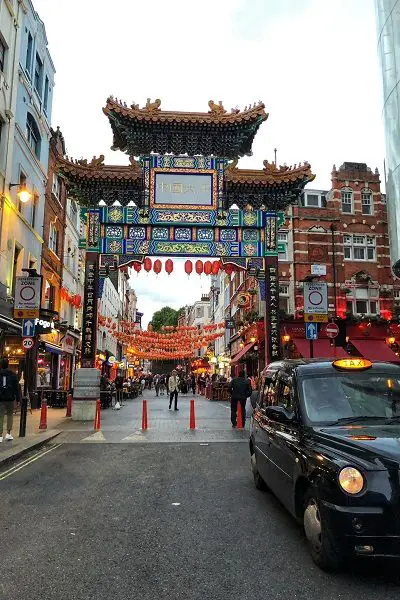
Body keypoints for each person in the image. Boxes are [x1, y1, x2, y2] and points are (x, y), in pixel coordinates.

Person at [0, 358, 20, 441]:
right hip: (10, 399)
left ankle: (0, 435)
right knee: (10, 415)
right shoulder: (13, 374)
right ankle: (8, 433)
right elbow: (16, 388)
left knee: (0, 416)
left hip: (0, 399)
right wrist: (18, 399)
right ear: (8, 364)